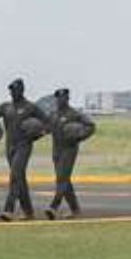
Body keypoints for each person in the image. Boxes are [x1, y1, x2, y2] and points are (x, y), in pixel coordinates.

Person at [0, 78, 46, 220]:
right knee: (20, 179)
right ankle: (28, 212)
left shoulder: (31, 107)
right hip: (9, 146)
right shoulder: (6, 107)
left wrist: (38, 134)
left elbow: (48, 123)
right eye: (10, 90)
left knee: (15, 175)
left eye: (15, 90)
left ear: (21, 90)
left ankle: (8, 210)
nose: (12, 92)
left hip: (24, 146)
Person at [45, 87, 94, 219]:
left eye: (63, 97)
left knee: (62, 178)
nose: (60, 100)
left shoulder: (74, 114)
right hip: (56, 150)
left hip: (69, 149)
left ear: (67, 99)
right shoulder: (53, 114)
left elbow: (91, 125)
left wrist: (79, 135)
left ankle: (54, 206)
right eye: (58, 98)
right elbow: (46, 128)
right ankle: (75, 209)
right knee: (64, 180)